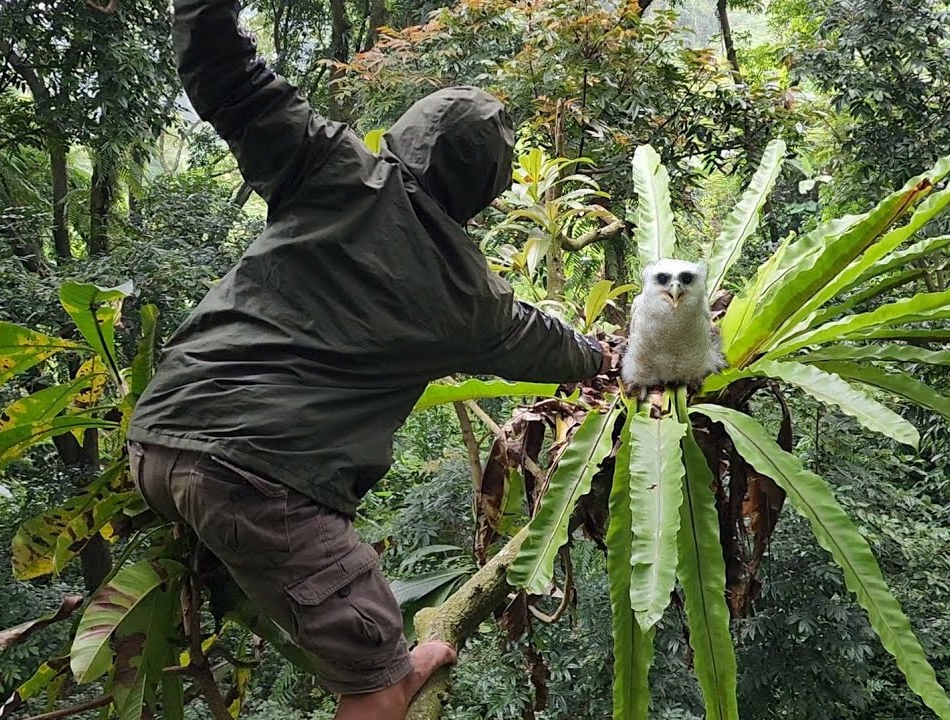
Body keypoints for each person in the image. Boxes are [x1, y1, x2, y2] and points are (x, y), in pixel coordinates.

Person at [126, 1, 610, 717]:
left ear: (408, 135)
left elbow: (229, 75)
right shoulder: (468, 297)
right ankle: (393, 673)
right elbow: (547, 345)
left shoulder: (331, 168)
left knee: (354, 620)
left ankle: (398, 659)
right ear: (483, 195)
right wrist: (604, 356)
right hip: (254, 475)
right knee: (377, 685)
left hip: (157, 439)